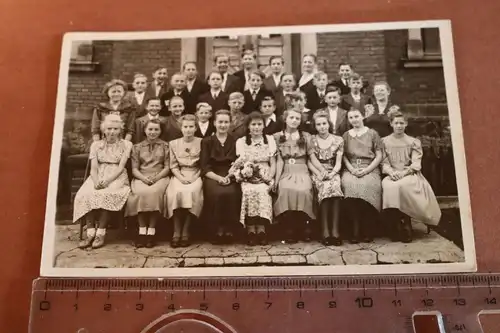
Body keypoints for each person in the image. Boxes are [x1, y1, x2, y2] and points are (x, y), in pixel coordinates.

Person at [73, 114, 133, 249]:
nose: (112, 132)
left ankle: (100, 232)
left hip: (117, 176)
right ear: (104, 130)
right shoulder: (96, 145)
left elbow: (120, 167)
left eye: (116, 129)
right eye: (109, 129)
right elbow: (93, 168)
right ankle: (90, 232)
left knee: (106, 194)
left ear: (120, 131)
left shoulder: (126, 145)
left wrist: (107, 181)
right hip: (98, 174)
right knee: (86, 194)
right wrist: (95, 181)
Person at [381, 110, 441, 243]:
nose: (399, 126)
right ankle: (396, 224)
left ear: (406, 124)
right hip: (393, 174)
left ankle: (406, 223)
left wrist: (403, 173)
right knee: (389, 185)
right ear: (391, 124)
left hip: (409, 173)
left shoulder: (413, 142)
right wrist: (391, 172)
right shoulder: (384, 142)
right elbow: (383, 163)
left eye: (402, 123)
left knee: (404, 185)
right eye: (396, 123)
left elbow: (415, 164)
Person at [125, 119, 170, 248]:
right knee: (140, 193)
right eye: (150, 129)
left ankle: (151, 231)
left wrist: (156, 178)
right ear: (145, 130)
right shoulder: (137, 147)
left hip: (160, 176)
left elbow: (167, 167)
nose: (153, 132)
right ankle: (142, 230)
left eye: (156, 129)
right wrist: (143, 179)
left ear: (160, 131)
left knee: (154, 193)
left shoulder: (166, 146)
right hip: (141, 177)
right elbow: (134, 169)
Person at [273, 109, 316, 243]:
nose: (294, 120)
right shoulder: (276, 137)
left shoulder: (306, 136)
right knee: (285, 189)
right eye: (291, 117)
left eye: (297, 118)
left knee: (304, 191)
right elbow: (278, 160)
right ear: (285, 119)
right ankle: (289, 228)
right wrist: (276, 179)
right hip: (286, 169)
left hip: (302, 168)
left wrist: (320, 171)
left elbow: (311, 157)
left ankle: (304, 226)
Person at [341, 108, 383, 244]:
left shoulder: (372, 133)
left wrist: (366, 170)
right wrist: (352, 169)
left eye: (356, 116)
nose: (354, 119)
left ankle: (367, 229)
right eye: (351, 117)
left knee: (368, 186)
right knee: (349, 185)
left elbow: (379, 155)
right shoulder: (346, 135)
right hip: (351, 168)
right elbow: (344, 156)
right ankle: (355, 229)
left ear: (362, 117)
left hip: (370, 167)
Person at [235, 112, 276, 245]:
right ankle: (251, 229)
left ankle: (262, 228)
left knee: (263, 191)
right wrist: (246, 173)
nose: (256, 127)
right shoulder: (241, 142)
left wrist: (270, 177)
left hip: (265, 174)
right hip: (248, 174)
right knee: (249, 191)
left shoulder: (269, 140)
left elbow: (273, 162)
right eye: (253, 124)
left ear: (264, 125)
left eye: (259, 124)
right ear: (248, 126)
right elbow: (240, 163)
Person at [200, 110, 241, 244]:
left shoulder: (235, 140)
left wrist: (231, 175)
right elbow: (205, 166)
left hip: (231, 174)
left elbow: (238, 162)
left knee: (232, 192)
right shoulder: (207, 141)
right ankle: (216, 230)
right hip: (213, 175)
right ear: (214, 123)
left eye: (226, 122)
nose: (223, 125)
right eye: (220, 122)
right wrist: (218, 178)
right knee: (217, 193)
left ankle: (229, 229)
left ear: (230, 123)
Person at [165, 114, 203, 248]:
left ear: (195, 128)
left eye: (191, 127)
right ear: (181, 128)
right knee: (175, 193)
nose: (188, 129)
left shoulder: (202, 142)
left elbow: (203, 165)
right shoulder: (174, 143)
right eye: (185, 127)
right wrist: (180, 177)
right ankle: (176, 230)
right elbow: (173, 165)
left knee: (193, 192)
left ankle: (186, 230)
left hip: (196, 174)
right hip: (179, 174)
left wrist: (195, 176)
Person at [307, 111, 344, 246]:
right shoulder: (311, 139)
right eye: (319, 124)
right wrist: (319, 173)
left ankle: (335, 230)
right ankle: (325, 231)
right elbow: (310, 161)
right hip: (317, 172)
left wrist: (333, 172)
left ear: (329, 124)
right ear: (315, 126)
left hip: (333, 171)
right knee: (324, 187)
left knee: (334, 187)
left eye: (324, 123)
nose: (322, 127)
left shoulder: (338, 140)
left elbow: (339, 161)